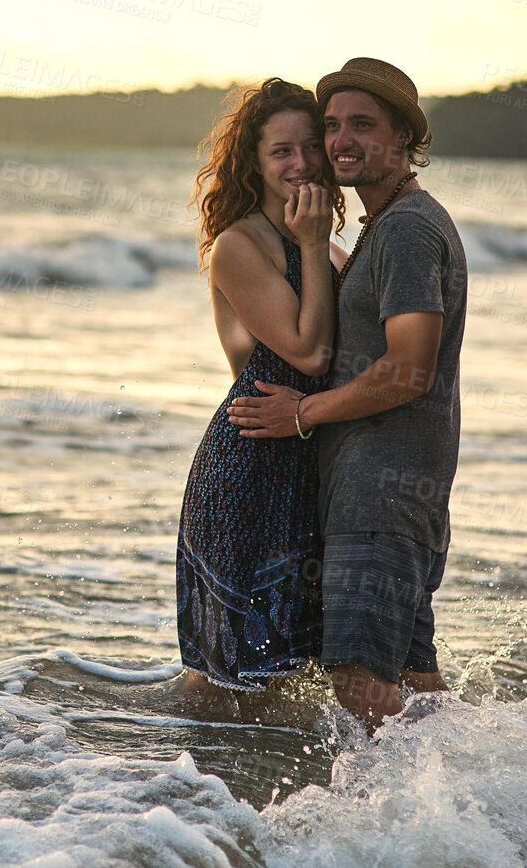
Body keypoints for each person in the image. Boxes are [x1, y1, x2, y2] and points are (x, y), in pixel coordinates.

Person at [227, 57, 468, 732]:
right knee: (419, 695)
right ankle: (476, 815)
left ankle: (390, 834)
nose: (339, 141)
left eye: (361, 125)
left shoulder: (405, 229)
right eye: (331, 126)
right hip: (398, 498)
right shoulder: (384, 227)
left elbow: (408, 368)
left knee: (360, 686)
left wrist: (300, 414)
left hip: (379, 502)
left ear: (403, 137)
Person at [176, 78, 346, 720]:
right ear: (254, 161)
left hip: (301, 461)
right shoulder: (239, 246)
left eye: (311, 147)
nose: (300, 164)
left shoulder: (331, 248)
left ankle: (282, 807)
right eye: (281, 152)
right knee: (224, 686)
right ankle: (195, 799)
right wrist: (307, 243)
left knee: (291, 677)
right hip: (247, 467)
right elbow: (310, 354)